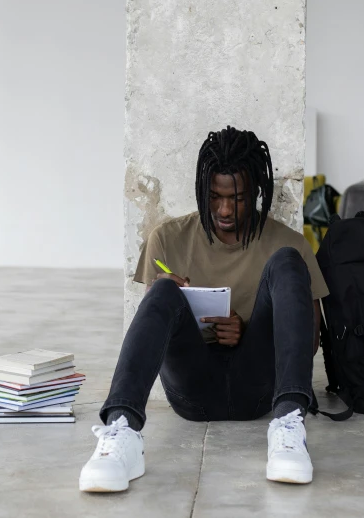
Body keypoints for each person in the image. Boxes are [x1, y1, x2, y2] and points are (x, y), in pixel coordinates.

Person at [79, 126, 329, 492]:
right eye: (214, 196)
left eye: (238, 198)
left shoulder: (285, 242)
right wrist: (179, 306)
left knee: (288, 261)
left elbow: (310, 343)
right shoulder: (168, 238)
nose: (225, 209)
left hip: (258, 388)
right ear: (202, 190)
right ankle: (121, 434)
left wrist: (248, 330)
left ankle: (289, 424)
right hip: (192, 389)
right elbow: (152, 333)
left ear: (257, 192)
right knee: (163, 289)